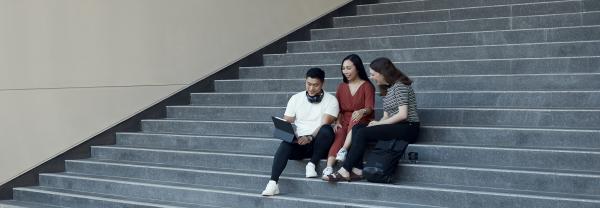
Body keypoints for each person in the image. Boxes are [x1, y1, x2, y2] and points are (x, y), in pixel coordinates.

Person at [324, 57, 420, 182]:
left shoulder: (400, 86)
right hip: (394, 126)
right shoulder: (387, 89)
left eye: (373, 74)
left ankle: (345, 170)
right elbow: (386, 116)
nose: (372, 77)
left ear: (383, 73)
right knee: (358, 128)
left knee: (364, 132)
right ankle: (357, 169)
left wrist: (379, 124)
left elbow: (402, 115)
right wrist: (377, 123)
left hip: (408, 127)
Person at [261, 68, 339, 196]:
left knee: (326, 130)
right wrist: (287, 131)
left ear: (323, 83)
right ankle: (273, 183)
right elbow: (288, 120)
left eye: (316, 85)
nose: (311, 88)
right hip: (301, 142)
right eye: (309, 84)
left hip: (319, 143)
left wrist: (310, 137)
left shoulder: (331, 100)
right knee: (285, 143)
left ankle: (312, 164)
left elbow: (325, 123)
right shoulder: (296, 98)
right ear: (305, 81)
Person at [321, 54, 375, 178]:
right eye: (343, 68)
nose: (345, 71)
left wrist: (362, 111)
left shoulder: (367, 86)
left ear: (357, 68)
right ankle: (329, 167)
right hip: (345, 119)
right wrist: (337, 121)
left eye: (349, 68)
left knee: (356, 117)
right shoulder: (341, 87)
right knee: (339, 133)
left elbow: (369, 108)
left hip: (362, 119)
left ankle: (344, 149)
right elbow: (338, 108)